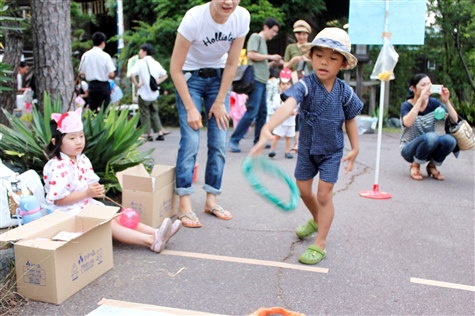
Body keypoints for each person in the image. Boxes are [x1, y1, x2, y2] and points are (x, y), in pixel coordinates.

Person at [250, 28, 363, 265]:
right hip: (306, 150)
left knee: (324, 194)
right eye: (319, 55)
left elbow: (351, 118)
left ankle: (320, 241)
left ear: (342, 64)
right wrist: (268, 127)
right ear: (310, 57)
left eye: (333, 58)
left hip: (332, 152)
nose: (324, 62)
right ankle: (316, 219)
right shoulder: (305, 85)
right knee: (303, 190)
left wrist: (355, 149)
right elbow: (288, 104)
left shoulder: (345, 92)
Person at [43, 108, 181, 252]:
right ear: (56, 141)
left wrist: (95, 190)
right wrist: (87, 193)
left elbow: (90, 183)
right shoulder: (57, 166)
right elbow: (58, 201)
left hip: (83, 205)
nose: (78, 142)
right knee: (109, 222)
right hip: (66, 212)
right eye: (72, 138)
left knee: (119, 216)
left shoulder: (81, 159)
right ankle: (151, 240)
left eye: (81, 136)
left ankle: (157, 232)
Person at [170, 0, 250, 228]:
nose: (228, 2)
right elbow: (175, 68)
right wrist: (190, 107)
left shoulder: (241, 17)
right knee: (191, 141)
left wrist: (220, 101)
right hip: (189, 78)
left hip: (219, 79)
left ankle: (211, 199)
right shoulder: (194, 18)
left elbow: (233, 63)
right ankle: (184, 202)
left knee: (218, 142)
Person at [228, 17, 283, 153]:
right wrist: (270, 57)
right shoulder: (256, 37)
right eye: (273, 31)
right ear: (266, 27)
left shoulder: (263, 42)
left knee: (262, 113)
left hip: (263, 80)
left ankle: (259, 141)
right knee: (252, 110)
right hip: (256, 80)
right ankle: (234, 140)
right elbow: (251, 55)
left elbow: (260, 61)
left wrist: (271, 63)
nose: (274, 34)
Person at [400, 74, 458, 181]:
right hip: (409, 149)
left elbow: (454, 119)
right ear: (413, 88)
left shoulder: (434, 103)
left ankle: (432, 166)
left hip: (430, 146)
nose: (427, 87)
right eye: (423, 85)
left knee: (450, 140)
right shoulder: (406, 105)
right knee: (431, 136)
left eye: (429, 84)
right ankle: (415, 165)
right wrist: (420, 100)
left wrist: (446, 101)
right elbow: (407, 123)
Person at [283, 20, 312, 155]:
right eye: (298, 34)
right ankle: (296, 142)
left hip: (310, 82)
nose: (301, 36)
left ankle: (304, 142)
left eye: (304, 34)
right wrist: (292, 61)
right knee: (295, 113)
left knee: (307, 112)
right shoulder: (291, 48)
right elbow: (284, 67)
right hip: (295, 82)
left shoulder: (312, 48)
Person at [130, 43, 168, 141]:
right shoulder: (156, 63)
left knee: (144, 113)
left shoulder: (140, 62)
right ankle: (160, 133)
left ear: (144, 51)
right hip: (154, 93)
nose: (139, 53)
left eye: (140, 51)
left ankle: (148, 134)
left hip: (143, 93)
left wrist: (137, 84)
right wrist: (157, 81)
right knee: (154, 113)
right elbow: (165, 75)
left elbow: (131, 74)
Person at [79, 32, 116, 111]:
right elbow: (112, 74)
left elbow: (81, 73)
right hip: (103, 86)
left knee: (93, 111)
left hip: (92, 86)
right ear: (103, 43)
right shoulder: (105, 56)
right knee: (105, 110)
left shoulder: (86, 55)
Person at [268, 68, 295, 159]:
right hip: (280, 121)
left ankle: (287, 151)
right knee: (277, 136)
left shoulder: (294, 97)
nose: (285, 86)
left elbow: (297, 107)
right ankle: (272, 150)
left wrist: (293, 111)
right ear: (279, 85)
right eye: (283, 84)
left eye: (287, 84)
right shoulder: (277, 96)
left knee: (288, 137)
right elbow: (276, 107)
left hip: (290, 121)